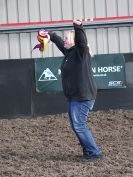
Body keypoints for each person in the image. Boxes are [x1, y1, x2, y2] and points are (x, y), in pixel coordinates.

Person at [47, 19, 102, 160]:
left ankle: (93, 152)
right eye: (65, 38)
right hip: (74, 97)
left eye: (67, 39)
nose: (64, 41)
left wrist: (78, 27)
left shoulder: (81, 52)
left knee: (79, 126)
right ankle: (88, 151)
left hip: (83, 96)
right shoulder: (69, 52)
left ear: (74, 41)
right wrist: (51, 35)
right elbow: (59, 43)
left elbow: (82, 42)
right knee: (77, 126)